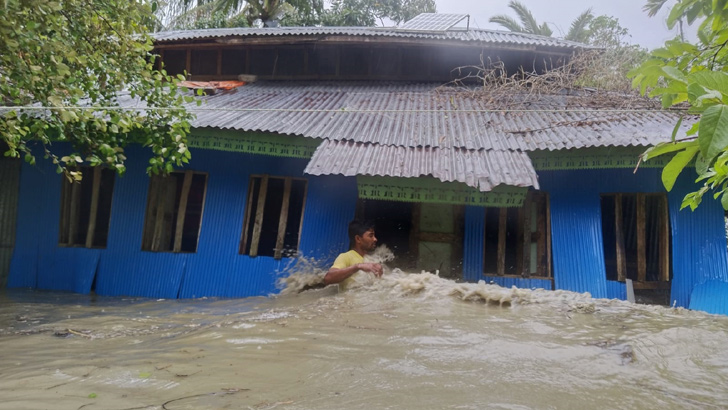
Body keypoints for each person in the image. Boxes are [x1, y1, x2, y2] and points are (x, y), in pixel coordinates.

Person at [323, 220, 383, 290]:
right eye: (371, 236)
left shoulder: (373, 259)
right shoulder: (345, 257)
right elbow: (328, 278)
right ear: (358, 239)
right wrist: (357, 267)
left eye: (374, 236)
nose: (375, 239)